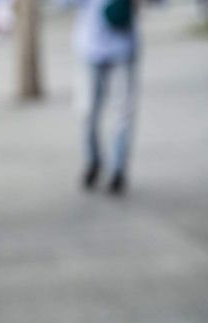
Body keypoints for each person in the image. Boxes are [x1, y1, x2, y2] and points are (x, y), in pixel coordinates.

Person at [71, 0, 140, 193]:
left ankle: (118, 169)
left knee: (123, 111)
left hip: (123, 46)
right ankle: (93, 160)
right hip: (89, 47)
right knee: (86, 111)